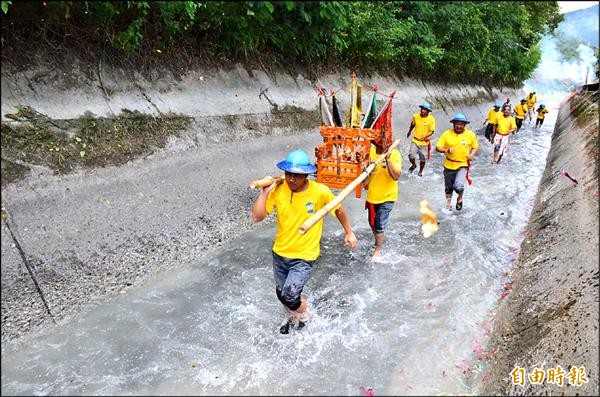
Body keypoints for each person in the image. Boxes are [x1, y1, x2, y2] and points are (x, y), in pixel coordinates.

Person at [251, 149, 357, 334]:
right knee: (281, 293)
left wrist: (349, 232)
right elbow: (257, 217)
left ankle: (306, 316)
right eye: (288, 174)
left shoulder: (320, 192)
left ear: (306, 175)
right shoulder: (278, 189)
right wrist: (264, 193)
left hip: (304, 256)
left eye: (297, 175)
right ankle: (293, 318)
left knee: (291, 296)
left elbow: (338, 209)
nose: (291, 179)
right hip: (280, 252)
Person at [363, 137, 402, 259]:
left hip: (388, 196)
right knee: (372, 222)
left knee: (379, 223)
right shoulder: (369, 152)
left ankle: (378, 249)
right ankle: (378, 240)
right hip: (373, 195)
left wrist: (388, 160)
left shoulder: (395, 154)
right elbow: (365, 180)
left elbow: (396, 176)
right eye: (381, 139)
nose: (385, 142)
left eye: (387, 139)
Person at [435, 113, 478, 211]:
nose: (459, 126)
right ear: (453, 124)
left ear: (464, 125)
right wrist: (446, 150)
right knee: (448, 188)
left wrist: (471, 155)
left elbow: (475, 146)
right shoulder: (446, 134)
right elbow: (438, 147)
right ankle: (449, 204)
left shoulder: (470, 134)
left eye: (461, 124)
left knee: (458, 187)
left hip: (462, 165)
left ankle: (459, 197)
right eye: (456, 124)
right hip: (448, 165)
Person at [406, 101, 436, 177]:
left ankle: (420, 171)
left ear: (428, 111)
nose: (422, 110)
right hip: (415, 140)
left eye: (425, 109)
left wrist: (425, 136)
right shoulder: (415, 116)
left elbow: (432, 131)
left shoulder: (431, 119)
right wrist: (409, 131)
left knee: (422, 159)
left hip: (425, 143)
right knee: (411, 155)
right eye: (422, 109)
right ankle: (413, 165)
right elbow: (413, 124)